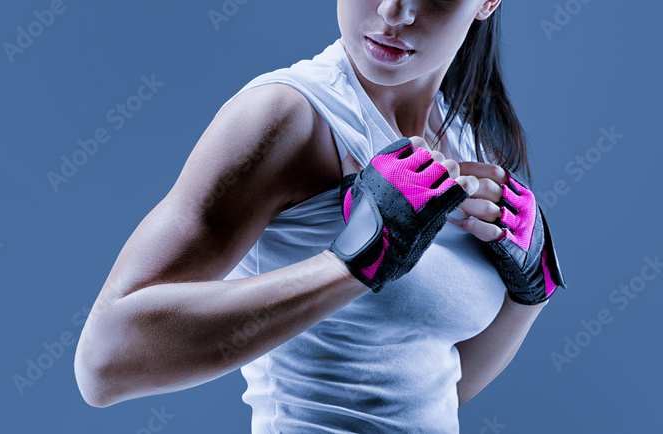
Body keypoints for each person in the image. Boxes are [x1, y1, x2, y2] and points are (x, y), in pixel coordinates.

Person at [74, 0, 566, 431]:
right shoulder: (287, 117)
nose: (393, 12)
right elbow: (105, 361)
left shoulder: (464, 142)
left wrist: (529, 293)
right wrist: (352, 262)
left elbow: (433, 388)